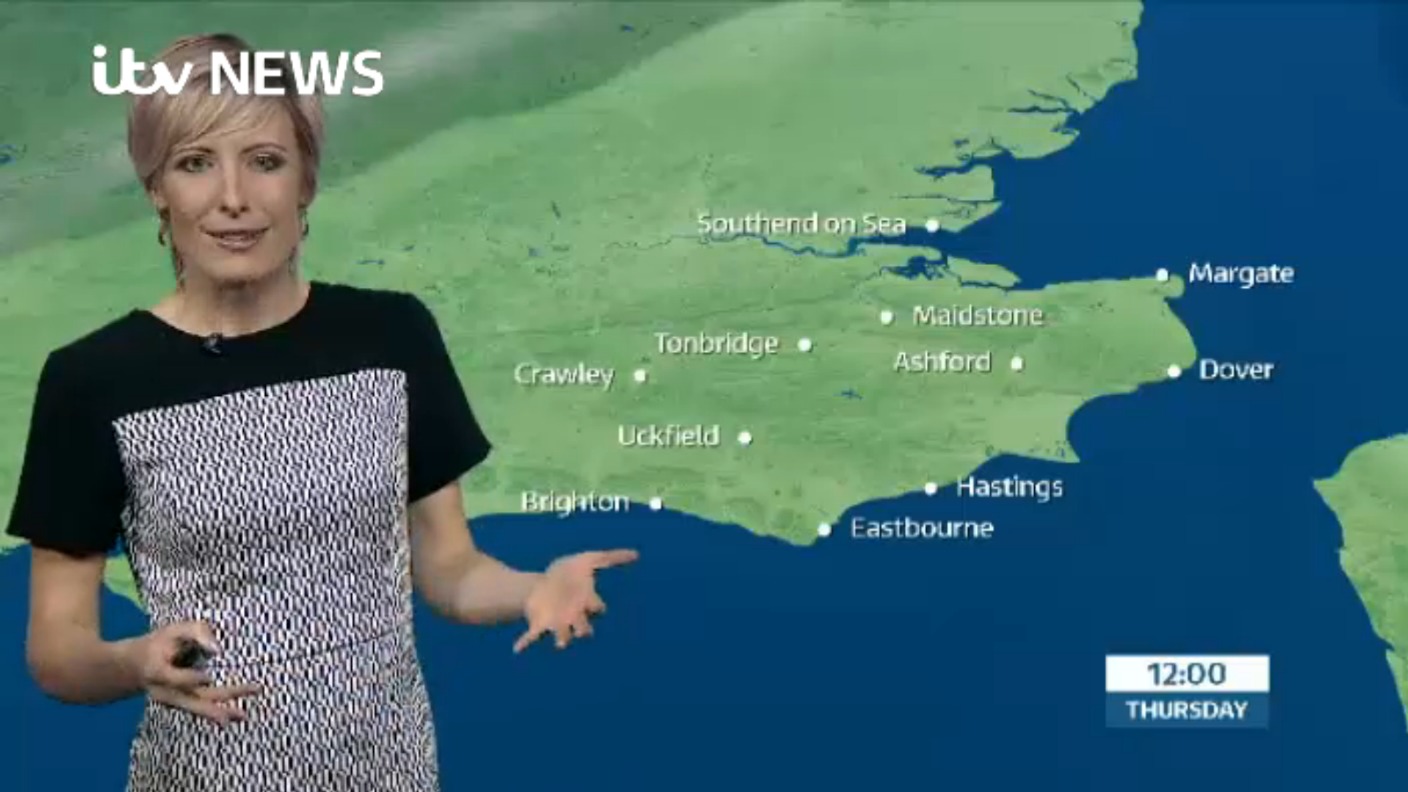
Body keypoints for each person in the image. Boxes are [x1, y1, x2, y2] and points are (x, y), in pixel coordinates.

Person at [5, 33, 638, 791]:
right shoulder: (91, 380)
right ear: (156, 189)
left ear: (305, 180)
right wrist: (131, 661)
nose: (233, 198)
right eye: (196, 163)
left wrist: (533, 587)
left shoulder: (394, 335)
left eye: (265, 161)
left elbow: (451, 570)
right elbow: (58, 649)